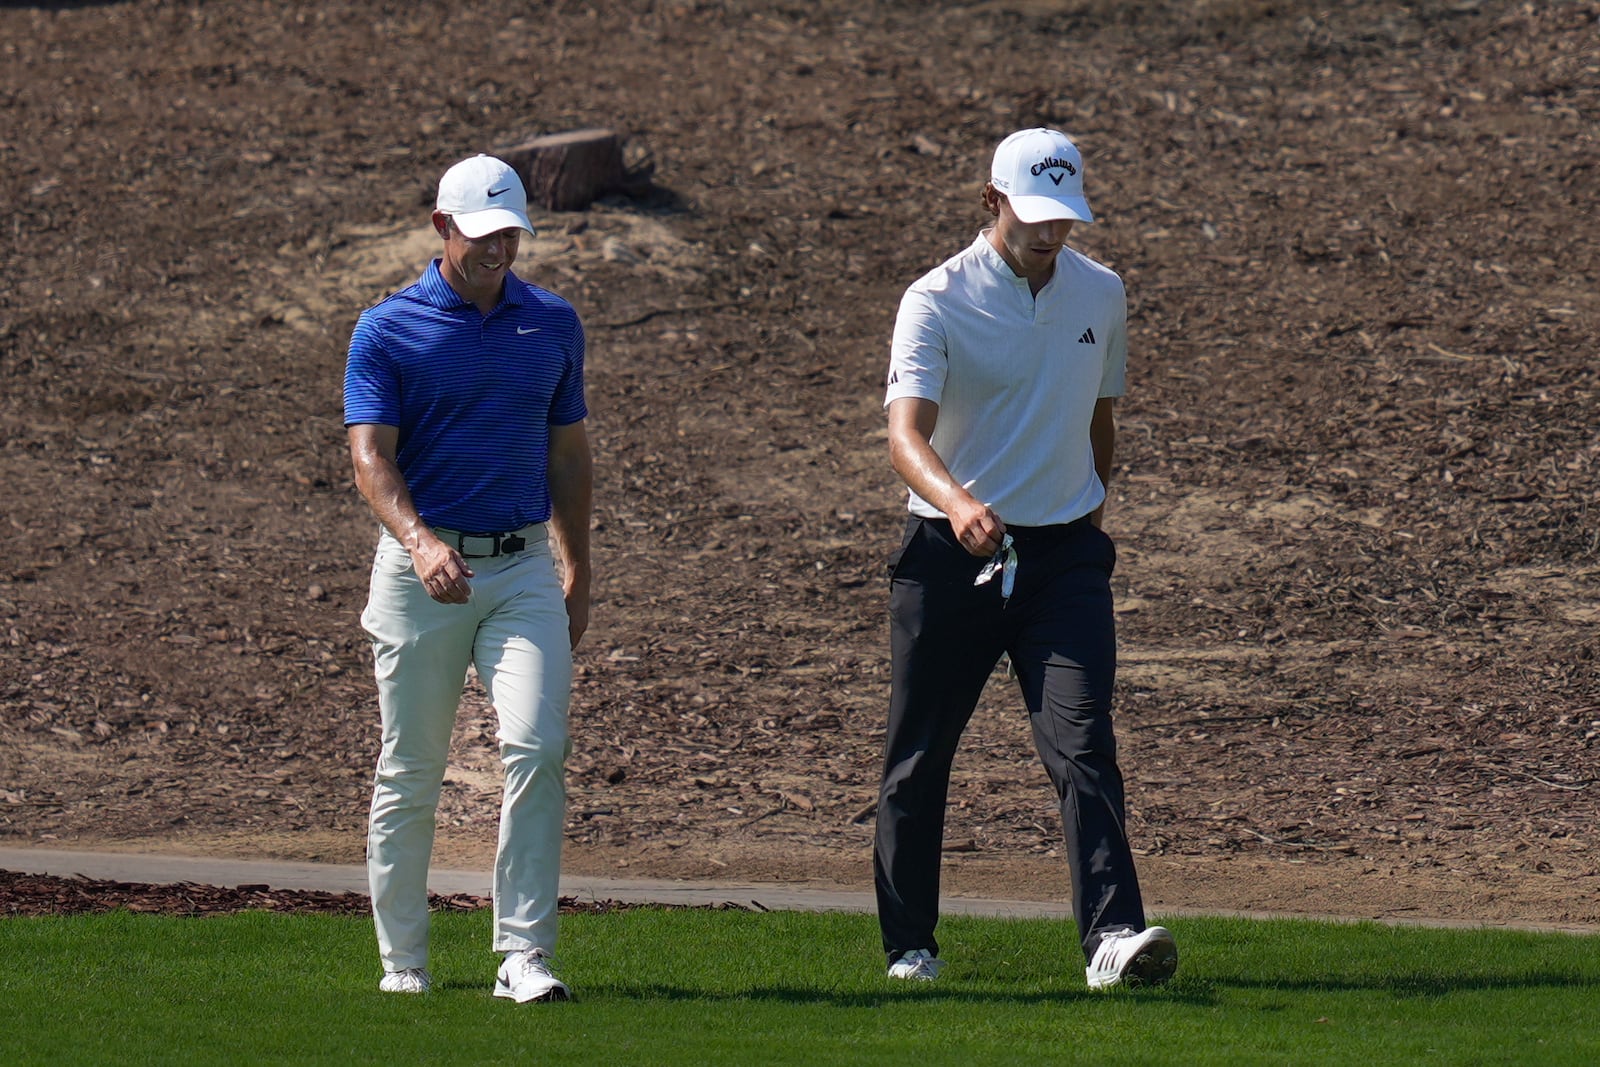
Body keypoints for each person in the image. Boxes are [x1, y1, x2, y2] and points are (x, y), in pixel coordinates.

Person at [873, 128, 1177, 990]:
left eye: (1064, 218)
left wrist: (1081, 514)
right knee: (919, 755)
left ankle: (1112, 937)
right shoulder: (933, 297)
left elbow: (1099, 419)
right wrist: (961, 502)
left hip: (1064, 559)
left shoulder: (1101, 293)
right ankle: (910, 944)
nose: (1051, 234)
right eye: (1034, 216)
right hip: (949, 552)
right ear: (990, 203)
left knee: (1083, 744)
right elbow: (905, 436)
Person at [343, 153, 593, 1001]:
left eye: (511, 235)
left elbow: (568, 453)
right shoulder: (387, 328)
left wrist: (578, 564)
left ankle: (523, 954)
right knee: (411, 767)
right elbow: (370, 458)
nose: (499, 251)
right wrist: (418, 542)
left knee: (537, 745)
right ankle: (402, 961)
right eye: (482, 236)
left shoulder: (553, 322)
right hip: (422, 572)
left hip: (522, 565)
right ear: (442, 228)